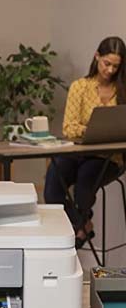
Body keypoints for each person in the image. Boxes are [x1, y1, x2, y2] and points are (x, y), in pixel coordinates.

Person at [44, 36, 126, 248]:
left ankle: (78, 230)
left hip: (110, 157)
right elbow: (69, 128)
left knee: (86, 180)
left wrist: (100, 132)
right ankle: (82, 225)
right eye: (107, 64)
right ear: (96, 56)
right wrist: (94, 131)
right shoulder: (79, 87)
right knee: (54, 180)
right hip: (76, 152)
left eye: (116, 66)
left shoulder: (123, 91)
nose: (110, 70)